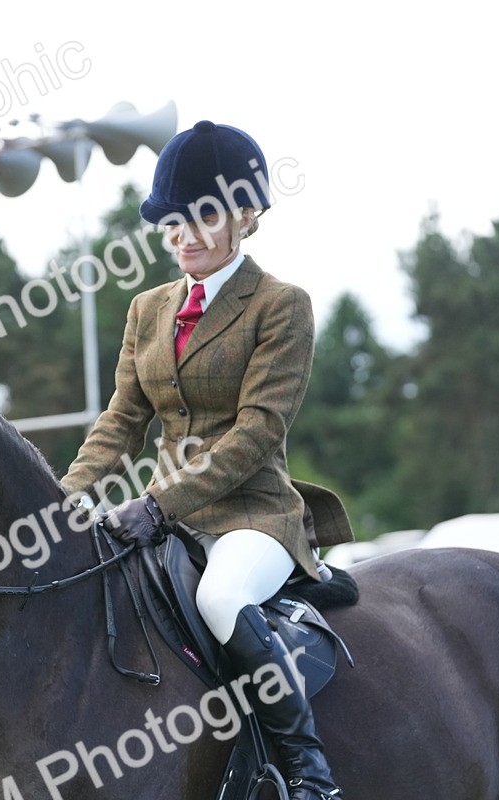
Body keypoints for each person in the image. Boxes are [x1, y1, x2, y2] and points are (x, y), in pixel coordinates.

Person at [61, 120, 352, 800]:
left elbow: (255, 432)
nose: (185, 237)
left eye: (204, 218)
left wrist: (157, 504)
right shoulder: (146, 310)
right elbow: (122, 421)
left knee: (220, 597)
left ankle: (310, 773)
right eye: (173, 223)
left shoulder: (281, 306)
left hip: (252, 518)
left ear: (246, 216)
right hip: (164, 521)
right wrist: (65, 499)